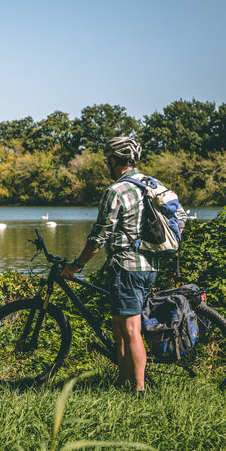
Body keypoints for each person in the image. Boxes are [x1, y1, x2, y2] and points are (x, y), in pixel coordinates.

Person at [61, 136, 186, 393]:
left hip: (127, 266)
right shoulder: (153, 184)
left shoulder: (116, 191)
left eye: (109, 161)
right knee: (119, 324)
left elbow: (98, 237)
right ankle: (122, 381)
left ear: (114, 161)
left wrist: (77, 265)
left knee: (131, 329)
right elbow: (181, 216)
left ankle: (138, 390)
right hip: (150, 265)